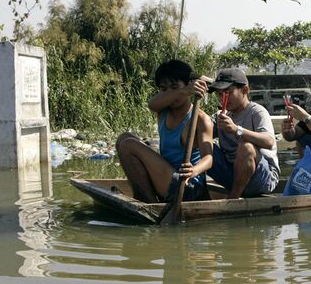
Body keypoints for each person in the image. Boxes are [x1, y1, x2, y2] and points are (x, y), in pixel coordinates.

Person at [116, 59, 214, 203]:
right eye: (164, 89)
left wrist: (194, 170)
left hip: (188, 186)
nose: (170, 94)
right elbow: (152, 104)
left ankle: (151, 206)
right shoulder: (163, 110)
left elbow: (209, 159)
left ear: (189, 85)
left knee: (128, 144)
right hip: (165, 179)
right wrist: (182, 91)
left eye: (175, 87)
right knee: (123, 138)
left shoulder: (199, 119)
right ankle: (148, 200)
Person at [207, 68, 280, 199]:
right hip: (233, 175)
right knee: (202, 144)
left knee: (246, 147)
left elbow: (269, 142)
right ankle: (196, 191)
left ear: (244, 90)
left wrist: (236, 129)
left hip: (262, 178)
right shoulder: (221, 116)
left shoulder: (256, 112)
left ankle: (233, 198)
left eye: (228, 93)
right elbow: (199, 133)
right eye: (219, 94)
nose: (222, 99)